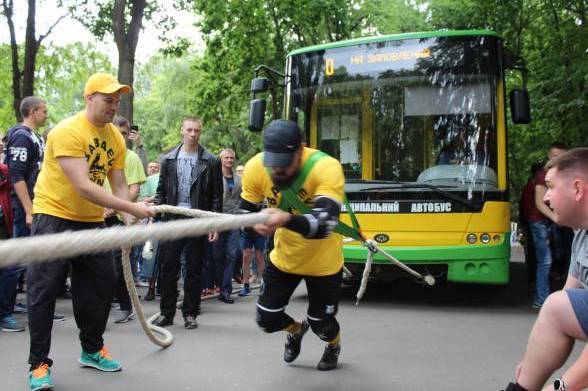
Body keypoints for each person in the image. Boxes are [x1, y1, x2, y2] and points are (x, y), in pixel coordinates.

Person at [25, 72, 155, 391]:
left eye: (117, 101)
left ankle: (92, 349)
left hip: (91, 221)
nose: (114, 106)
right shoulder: (67, 131)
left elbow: (120, 183)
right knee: (44, 290)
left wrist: (128, 221)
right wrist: (134, 209)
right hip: (54, 217)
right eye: (108, 99)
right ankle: (39, 364)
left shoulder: (114, 137)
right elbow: (83, 187)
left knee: (101, 284)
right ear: (89, 98)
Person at [240, 119, 345, 371]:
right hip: (284, 259)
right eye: (273, 164)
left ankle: (333, 345)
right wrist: (253, 224)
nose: (278, 171)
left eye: (285, 164)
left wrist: (285, 219)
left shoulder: (326, 168)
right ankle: (296, 331)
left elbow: (324, 225)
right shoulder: (256, 167)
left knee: (321, 323)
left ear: (301, 150)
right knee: (266, 319)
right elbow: (245, 213)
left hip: (324, 264)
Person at [501, 148, 588, 391]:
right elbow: (569, 295)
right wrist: (533, 362)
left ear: (578, 189)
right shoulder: (581, 232)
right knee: (555, 304)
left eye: (550, 187)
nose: (545, 198)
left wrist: (561, 387)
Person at [152, 116, 223, 330]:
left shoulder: (211, 160)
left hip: (196, 220)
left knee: (194, 269)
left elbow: (216, 197)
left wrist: (214, 225)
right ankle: (167, 313)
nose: (193, 134)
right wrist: (155, 217)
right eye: (189, 130)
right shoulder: (168, 160)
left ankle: (190, 313)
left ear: (200, 132)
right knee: (168, 268)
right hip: (172, 219)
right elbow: (161, 192)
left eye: (197, 131)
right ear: (182, 130)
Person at [0, 96, 47, 332]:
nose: (46, 115)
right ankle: (4, 313)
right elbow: (16, 176)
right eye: (44, 111)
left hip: (36, 203)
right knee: (17, 258)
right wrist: (28, 209)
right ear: (32, 111)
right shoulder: (20, 136)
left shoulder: (35, 137)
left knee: (34, 258)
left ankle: (29, 305)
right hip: (23, 206)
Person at [105, 116, 147, 324]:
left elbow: (133, 190)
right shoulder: (101, 153)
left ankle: (125, 306)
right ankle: (99, 310)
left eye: (123, 133)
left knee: (118, 266)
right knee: (97, 267)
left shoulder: (131, 158)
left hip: (122, 219)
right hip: (97, 218)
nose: (120, 137)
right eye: (116, 132)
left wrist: (113, 208)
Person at [529, 142, 567, 308]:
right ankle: (541, 300)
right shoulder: (543, 174)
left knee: (560, 257)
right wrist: (556, 217)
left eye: (562, 156)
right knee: (545, 261)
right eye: (555, 156)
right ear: (549, 156)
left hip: (552, 221)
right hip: (540, 222)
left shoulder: (563, 174)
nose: (559, 159)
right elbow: (539, 202)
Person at [213, 148, 241, 304]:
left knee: (232, 254)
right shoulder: (214, 177)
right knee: (217, 256)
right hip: (217, 219)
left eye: (231, 158)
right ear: (221, 159)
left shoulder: (239, 179)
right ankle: (218, 284)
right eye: (226, 158)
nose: (229, 160)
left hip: (234, 220)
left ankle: (226, 291)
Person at [519, 163, 544, 291]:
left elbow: (521, 206)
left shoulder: (528, 187)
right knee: (537, 255)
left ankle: (532, 282)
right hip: (534, 223)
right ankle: (533, 282)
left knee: (534, 254)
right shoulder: (532, 187)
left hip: (529, 222)